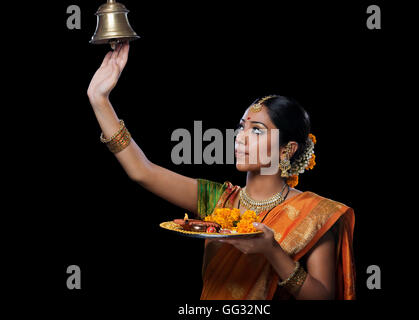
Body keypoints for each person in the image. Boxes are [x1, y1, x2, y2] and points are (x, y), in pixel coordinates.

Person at [87, 41, 356, 300]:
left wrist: (272, 251)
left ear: (287, 149)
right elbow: (142, 171)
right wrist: (100, 100)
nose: (240, 137)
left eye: (257, 130)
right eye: (241, 127)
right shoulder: (219, 199)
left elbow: (324, 296)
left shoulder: (314, 214)